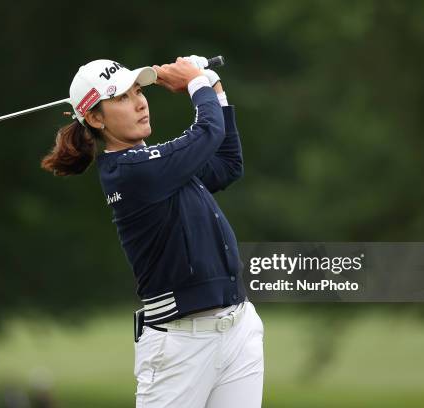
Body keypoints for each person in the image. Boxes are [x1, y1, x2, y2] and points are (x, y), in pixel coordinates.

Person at [41, 56, 264, 408]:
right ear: (96, 118)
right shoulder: (130, 172)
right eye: (122, 98)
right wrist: (195, 83)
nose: (140, 102)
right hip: (178, 346)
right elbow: (208, 132)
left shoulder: (160, 165)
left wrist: (213, 85)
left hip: (238, 329)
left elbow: (226, 165)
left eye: (138, 91)